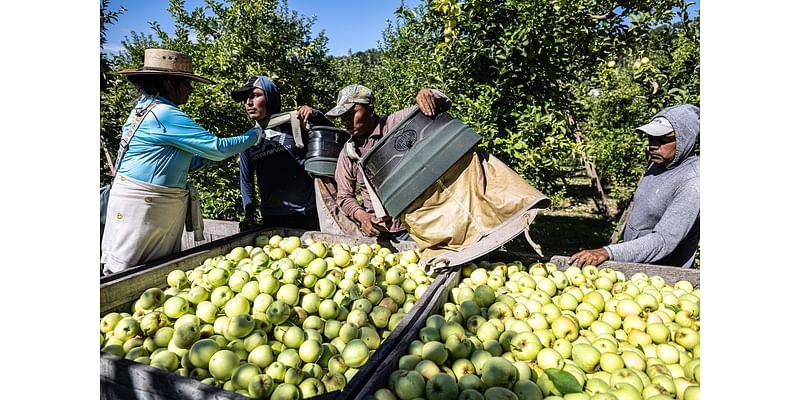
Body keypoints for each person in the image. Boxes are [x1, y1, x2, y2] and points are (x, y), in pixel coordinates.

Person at [101, 49, 264, 275]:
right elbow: (217, 148)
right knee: (131, 273)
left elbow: (168, 161)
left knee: (136, 268)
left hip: (139, 203)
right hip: (144, 207)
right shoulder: (165, 114)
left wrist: (206, 160)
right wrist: (253, 136)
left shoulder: (142, 110)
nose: (190, 89)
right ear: (170, 83)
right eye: (186, 83)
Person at [569, 104, 700, 268]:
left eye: (663, 139)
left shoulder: (692, 183)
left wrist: (608, 252)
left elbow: (663, 240)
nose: (653, 144)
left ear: (685, 139)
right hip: (640, 268)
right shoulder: (659, 164)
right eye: (651, 137)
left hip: (664, 279)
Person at [326, 84, 452, 240]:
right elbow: (344, 197)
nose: (346, 121)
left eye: (352, 113)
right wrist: (362, 216)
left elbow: (443, 104)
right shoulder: (349, 153)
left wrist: (428, 94)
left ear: (370, 109)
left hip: (422, 223)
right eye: (342, 116)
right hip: (382, 233)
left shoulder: (397, 123)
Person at [231, 76, 334, 232]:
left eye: (255, 95)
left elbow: (332, 138)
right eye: (246, 98)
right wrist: (249, 215)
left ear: (271, 98)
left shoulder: (295, 125)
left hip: (306, 213)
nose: (248, 102)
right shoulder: (247, 139)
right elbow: (246, 181)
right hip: (271, 217)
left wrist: (316, 115)